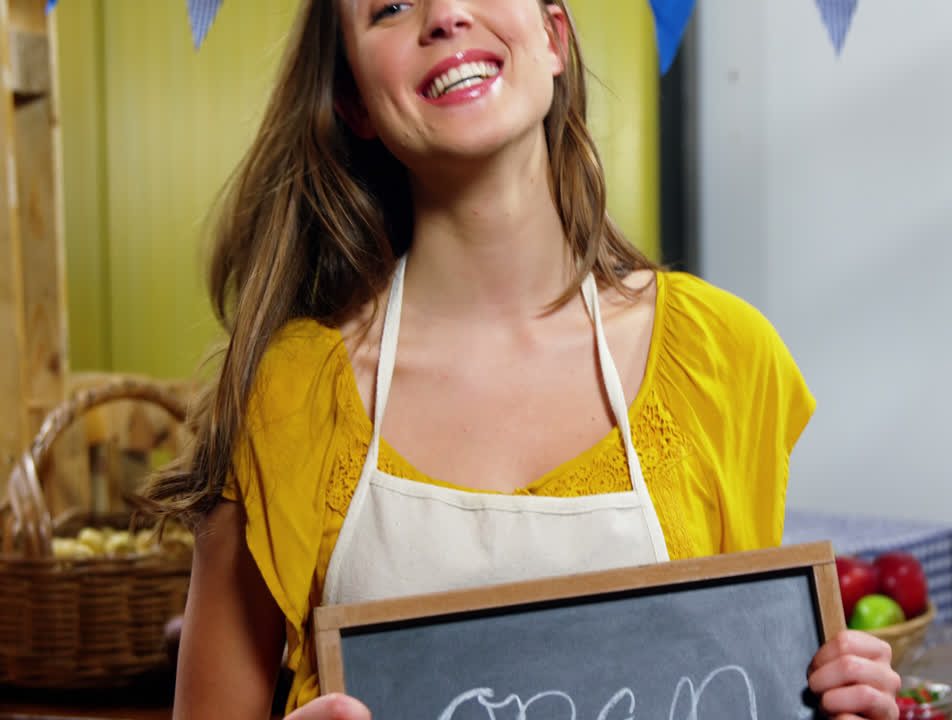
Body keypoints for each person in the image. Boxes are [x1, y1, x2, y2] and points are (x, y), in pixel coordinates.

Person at [141, 1, 902, 718]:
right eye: (390, 7)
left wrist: (833, 701)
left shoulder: (723, 358)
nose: (444, 15)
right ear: (355, 106)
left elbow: (752, 679)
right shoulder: (289, 395)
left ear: (554, 36)